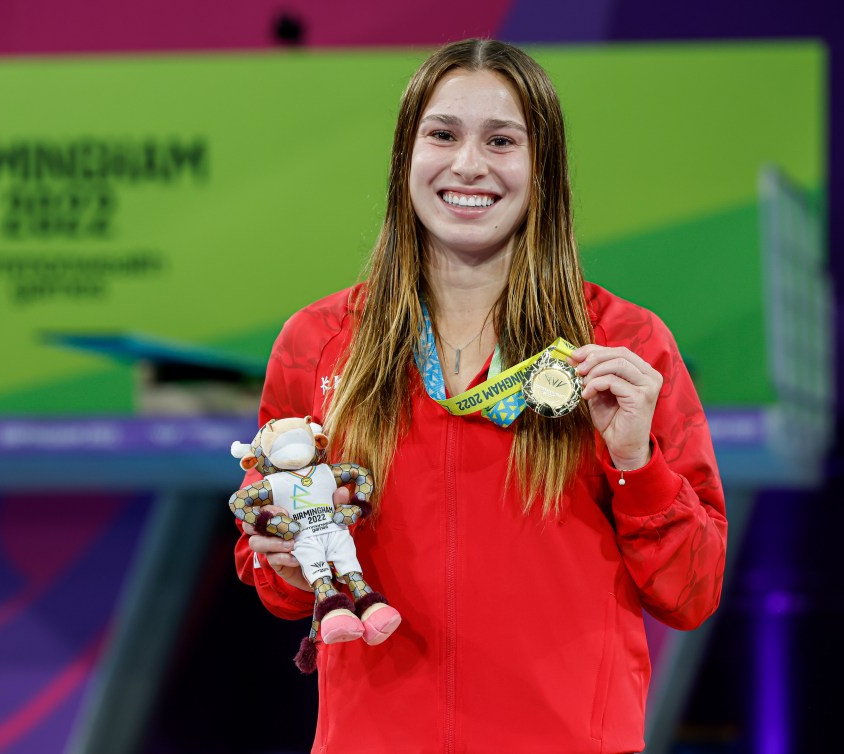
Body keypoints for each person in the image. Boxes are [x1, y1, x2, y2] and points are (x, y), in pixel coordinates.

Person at [233, 38, 727, 754]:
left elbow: (690, 593)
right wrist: (275, 556)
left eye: (501, 140)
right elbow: (278, 586)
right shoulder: (319, 342)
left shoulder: (620, 345)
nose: (468, 165)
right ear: (407, 156)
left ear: (542, 168)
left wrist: (635, 464)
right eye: (442, 134)